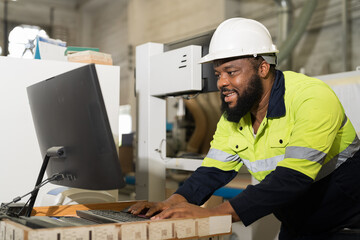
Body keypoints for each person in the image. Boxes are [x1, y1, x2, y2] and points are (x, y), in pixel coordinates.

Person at [129, 18, 360, 239]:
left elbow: (292, 178)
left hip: (347, 225)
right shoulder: (235, 116)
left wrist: (213, 215)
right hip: (297, 225)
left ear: (262, 67)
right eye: (218, 74)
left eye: (231, 72)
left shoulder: (311, 98)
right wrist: (172, 203)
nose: (221, 83)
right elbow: (212, 172)